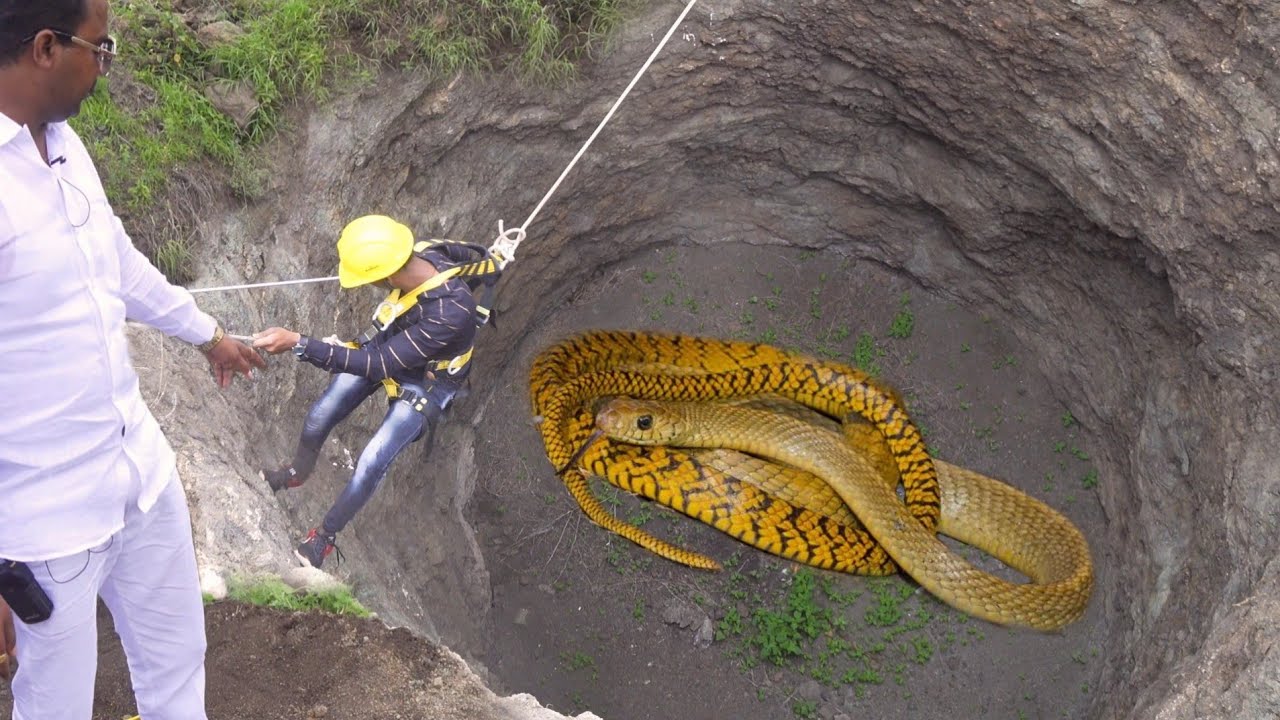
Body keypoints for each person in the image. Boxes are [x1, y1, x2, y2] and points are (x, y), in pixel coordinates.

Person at [0, 0, 267, 717]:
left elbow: (114, 258)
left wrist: (209, 334)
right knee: (54, 706)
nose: (107, 66)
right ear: (46, 48)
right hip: (47, 523)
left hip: (140, 478)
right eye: (101, 48)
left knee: (178, 667)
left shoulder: (60, 142)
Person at [253, 214, 481, 569]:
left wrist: (300, 343)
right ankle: (296, 473)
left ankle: (324, 538)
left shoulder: (451, 312)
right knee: (319, 415)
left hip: (427, 382)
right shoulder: (421, 251)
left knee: (371, 462)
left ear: (387, 276)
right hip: (390, 347)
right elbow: (467, 252)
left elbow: (378, 367)